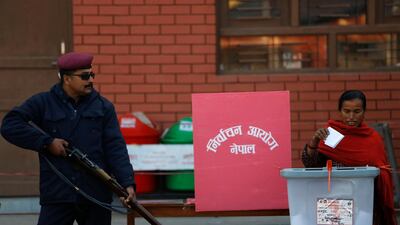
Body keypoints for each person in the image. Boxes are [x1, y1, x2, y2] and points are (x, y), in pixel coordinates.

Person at [0, 52, 136, 225]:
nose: (90, 80)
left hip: (95, 192)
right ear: (67, 79)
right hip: (58, 193)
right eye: (84, 76)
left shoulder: (104, 107)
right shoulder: (43, 102)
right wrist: (47, 142)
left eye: (92, 74)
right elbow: (10, 125)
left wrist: (127, 183)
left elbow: (115, 147)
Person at [302, 90, 397, 225]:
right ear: (340, 111)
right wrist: (314, 142)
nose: (351, 116)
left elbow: (382, 172)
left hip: (365, 201)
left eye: (357, 111)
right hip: (334, 200)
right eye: (346, 111)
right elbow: (310, 165)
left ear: (364, 112)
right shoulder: (329, 134)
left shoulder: (372, 138)